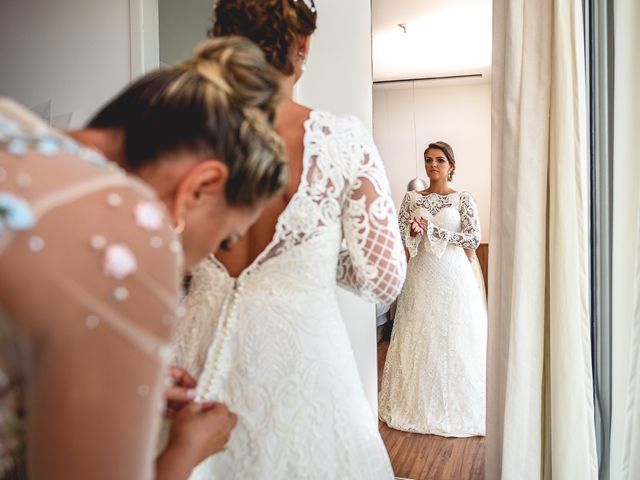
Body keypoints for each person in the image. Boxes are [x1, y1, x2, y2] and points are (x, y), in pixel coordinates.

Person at [0, 36, 287, 479]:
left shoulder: (12, 122)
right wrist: (186, 452)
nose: (206, 258)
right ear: (198, 187)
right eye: (225, 239)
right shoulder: (130, 238)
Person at [169, 0, 407, 478]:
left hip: (191, 370)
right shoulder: (340, 140)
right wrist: (317, 253)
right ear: (302, 45)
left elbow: (159, 266)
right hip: (302, 371)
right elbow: (382, 279)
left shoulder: (176, 139)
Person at [378, 141, 487, 437]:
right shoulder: (412, 197)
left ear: (451, 165)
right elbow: (401, 233)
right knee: (420, 332)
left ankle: (458, 404)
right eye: (428, 160)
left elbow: (473, 238)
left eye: (439, 160)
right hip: (422, 273)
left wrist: (433, 229)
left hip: (454, 275)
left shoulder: (462, 198)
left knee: (454, 334)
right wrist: (414, 231)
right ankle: (414, 404)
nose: (432, 165)